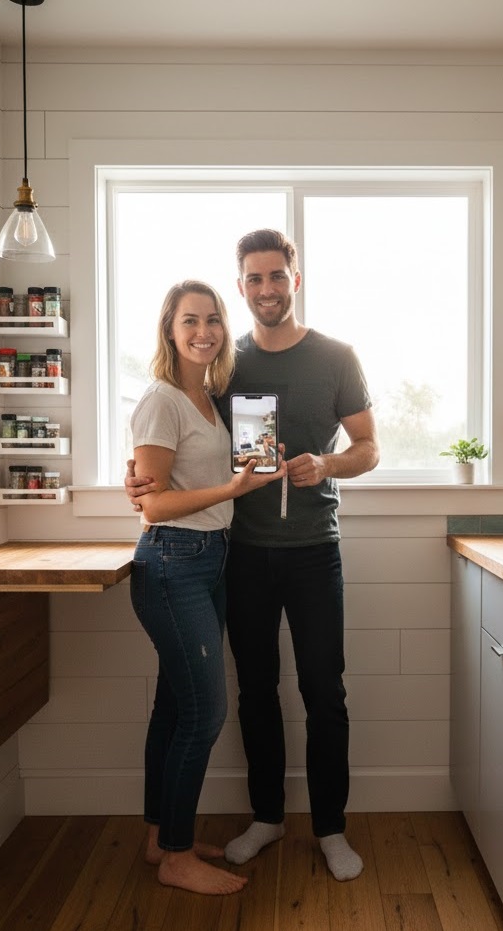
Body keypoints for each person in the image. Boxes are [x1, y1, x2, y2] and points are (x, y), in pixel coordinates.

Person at [128, 229, 379, 881]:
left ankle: (330, 827)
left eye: (276, 276)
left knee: (324, 691)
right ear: (241, 287)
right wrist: (139, 482)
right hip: (238, 555)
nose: (267, 289)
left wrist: (328, 464)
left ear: (296, 279)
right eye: (254, 279)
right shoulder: (224, 363)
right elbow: (180, 440)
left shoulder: (337, 357)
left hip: (315, 551)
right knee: (256, 691)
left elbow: (369, 448)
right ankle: (266, 816)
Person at [129, 279, 286, 895]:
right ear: (170, 330)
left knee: (174, 708)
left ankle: (159, 838)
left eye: (213, 319)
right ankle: (176, 857)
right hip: (174, 563)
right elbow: (153, 507)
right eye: (190, 321)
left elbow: (166, 480)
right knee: (205, 713)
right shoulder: (162, 399)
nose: (204, 332)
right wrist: (231, 489)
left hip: (209, 558)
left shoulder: (208, 398)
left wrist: (253, 470)